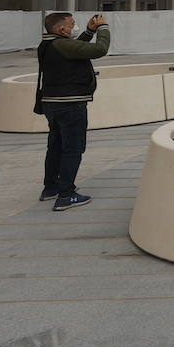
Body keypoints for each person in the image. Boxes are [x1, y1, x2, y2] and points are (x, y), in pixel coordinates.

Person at [34, 12, 110, 211]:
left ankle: (51, 187)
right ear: (61, 29)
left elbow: (76, 49)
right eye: (72, 24)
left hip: (53, 103)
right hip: (70, 104)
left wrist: (89, 31)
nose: (74, 27)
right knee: (73, 148)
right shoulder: (62, 44)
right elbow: (99, 49)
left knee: (56, 146)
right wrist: (103, 29)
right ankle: (66, 194)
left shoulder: (50, 44)